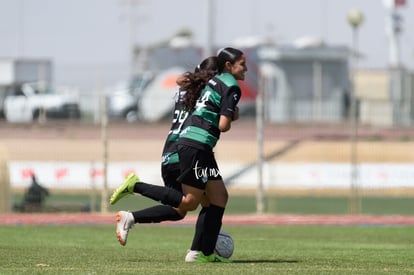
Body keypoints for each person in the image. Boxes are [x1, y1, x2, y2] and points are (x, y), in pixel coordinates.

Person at [110, 47, 247, 263]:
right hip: (186, 150)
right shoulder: (211, 91)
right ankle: (136, 187)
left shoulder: (189, 91)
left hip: (174, 150)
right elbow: (221, 121)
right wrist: (230, 110)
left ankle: (195, 250)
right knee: (191, 202)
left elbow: (182, 82)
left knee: (205, 201)